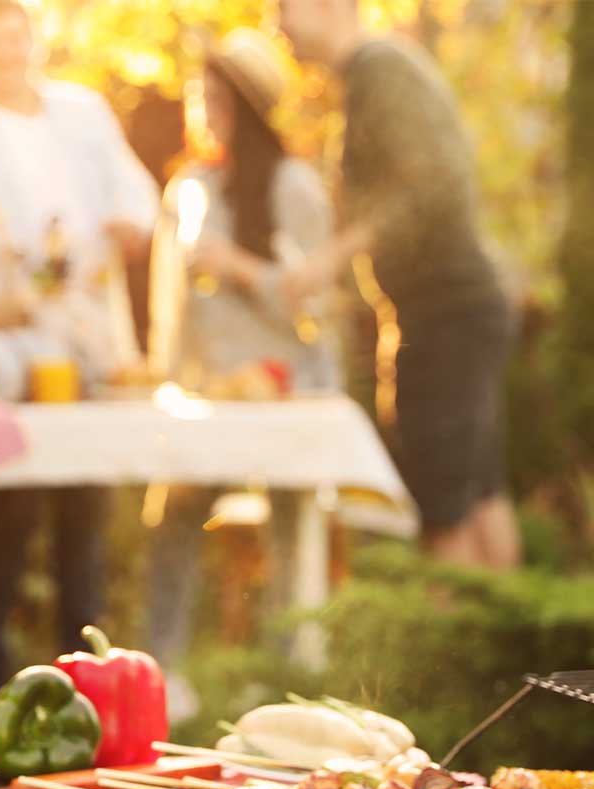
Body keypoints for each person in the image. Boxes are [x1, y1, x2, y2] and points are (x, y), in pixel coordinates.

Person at [0, 0, 159, 700]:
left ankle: (83, 676)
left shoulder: (83, 114)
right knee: (10, 503)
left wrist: (128, 226)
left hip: (83, 336)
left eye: (17, 38)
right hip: (4, 343)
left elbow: (133, 193)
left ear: (33, 41)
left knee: (84, 502)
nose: (8, 53)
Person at [276, 0, 522, 569]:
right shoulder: (378, 74)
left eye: (283, 6)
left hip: (444, 315)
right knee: (480, 494)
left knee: (444, 507)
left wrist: (329, 259)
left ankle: (459, 655)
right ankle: (506, 654)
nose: (277, 24)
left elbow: (424, 188)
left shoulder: (379, 72)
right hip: (457, 310)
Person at [142, 29, 337, 694]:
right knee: (173, 516)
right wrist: (161, 373)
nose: (206, 107)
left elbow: (318, 309)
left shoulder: (294, 187)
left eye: (221, 96)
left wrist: (240, 270)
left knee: (289, 525)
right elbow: (172, 305)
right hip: (209, 392)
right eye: (201, 94)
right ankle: (162, 666)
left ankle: (289, 669)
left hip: (285, 389)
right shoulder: (189, 187)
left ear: (252, 105)